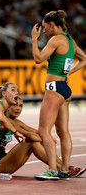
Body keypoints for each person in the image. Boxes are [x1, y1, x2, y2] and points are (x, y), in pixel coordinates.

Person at [31, 10, 86, 180]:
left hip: (54, 88)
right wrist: (69, 73)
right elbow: (84, 59)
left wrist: (33, 39)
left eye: (45, 27)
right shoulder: (70, 41)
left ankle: (52, 169)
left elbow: (39, 58)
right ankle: (64, 169)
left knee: (43, 130)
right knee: (63, 132)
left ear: (53, 25)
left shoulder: (55, 39)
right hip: (65, 90)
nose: (44, 31)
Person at [0, 97, 85, 177]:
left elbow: (36, 131)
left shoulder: (17, 122)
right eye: (15, 105)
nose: (18, 108)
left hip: (4, 160)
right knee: (31, 141)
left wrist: (46, 137)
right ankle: (64, 168)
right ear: (8, 106)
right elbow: (29, 135)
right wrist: (48, 139)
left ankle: (64, 167)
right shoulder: (4, 120)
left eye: (21, 106)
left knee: (37, 140)